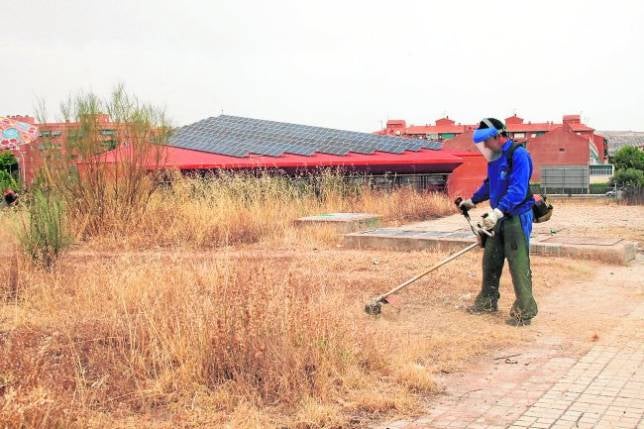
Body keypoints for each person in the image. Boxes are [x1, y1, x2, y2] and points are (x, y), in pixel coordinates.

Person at [458, 118, 537, 326]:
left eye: (486, 142)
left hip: (516, 216)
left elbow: (518, 190)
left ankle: (524, 312)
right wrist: (471, 201)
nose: (484, 147)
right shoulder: (494, 158)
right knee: (490, 260)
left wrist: (498, 212)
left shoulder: (518, 155)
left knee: (518, 263)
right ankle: (487, 301)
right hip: (498, 216)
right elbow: (489, 185)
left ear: (497, 136)